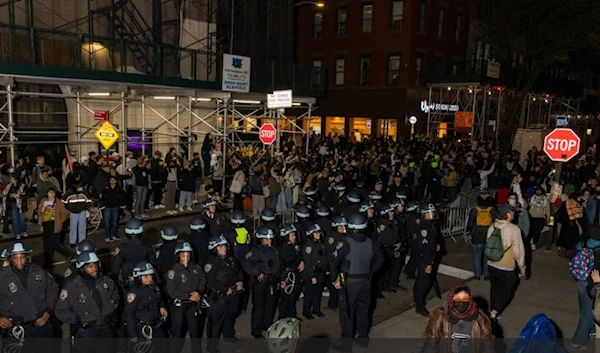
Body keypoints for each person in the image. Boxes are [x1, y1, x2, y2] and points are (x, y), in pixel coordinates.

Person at [329, 213, 384, 352]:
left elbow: (334, 263)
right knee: (363, 311)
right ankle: (363, 339)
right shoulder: (370, 242)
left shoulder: (345, 243)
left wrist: (335, 280)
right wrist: (371, 273)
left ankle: (346, 345)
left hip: (349, 283)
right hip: (366, 282)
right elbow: (381, 259)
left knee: (347, 313)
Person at [55, 251, 119, 353]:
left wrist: (111, 308)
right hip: (86, 331)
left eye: (95, 265)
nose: (94, 269)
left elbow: (115, 294)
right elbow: (60, 310)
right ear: (81, 268)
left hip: (106, 328)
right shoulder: (72, 287)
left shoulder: (105, 281)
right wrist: (77, 318)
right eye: (90, 266)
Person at [0, 242, 57, 346]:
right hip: (15, 329)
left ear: (27, 257)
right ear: (10, 259)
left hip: (39, 326)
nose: (19, 262)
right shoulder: (2, 277)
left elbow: (52, 291)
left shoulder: (40, 272)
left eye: (22, 257)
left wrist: (48, 312)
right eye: (15, 258)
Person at [423, 284, 493, 353]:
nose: (461, 302)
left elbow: (487, 344)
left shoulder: (479, 318)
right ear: (451, 300)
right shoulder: (440, 315)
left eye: (465, 299)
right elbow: (431, 340)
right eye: (457, 299)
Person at [205, 235, 244, 353]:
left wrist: (240, 281)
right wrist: (224, 289)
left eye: (224, 246)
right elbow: (209, 280)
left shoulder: (230, 259)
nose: (224, 248)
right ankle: (211, 347)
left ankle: (228, 336)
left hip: (233, 294)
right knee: (215, 322)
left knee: (230, 316)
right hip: (220, 296)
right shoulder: (211, 263)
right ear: (214, 248)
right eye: (220, 247)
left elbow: (239, 271)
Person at [240, 225, 281, 338]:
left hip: (272, 281)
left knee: (270, 305)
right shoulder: (255, 251)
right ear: (260, 239)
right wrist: (257, 272)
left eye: (270, 239)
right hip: (260, 282)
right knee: (258, 305)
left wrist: (279, 278)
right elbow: (246, 264)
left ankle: (267, 325)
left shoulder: (273, 250)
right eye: (266, 239)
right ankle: (256, 329)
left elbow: (277, 265)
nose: (269, 241)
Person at [487, 204, 526, 321]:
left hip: (492, 263)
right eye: (513, 211)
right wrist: (522, 266)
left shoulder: (492, 226)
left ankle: (494, 310)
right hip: (506, 265)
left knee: (495, 288)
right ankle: (493, 313)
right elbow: (518, 250)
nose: (514, 213)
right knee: (506, 292)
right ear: (508, 214)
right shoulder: (514, 229)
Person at [166, 242, 206, 353]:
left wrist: (198, 292)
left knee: (195, 330)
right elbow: (172, 291)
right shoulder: (173, 271)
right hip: (180, 305)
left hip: (193, 304)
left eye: (188, 255)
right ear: (178, 256)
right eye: (183, 255)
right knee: (178, 331)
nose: (186, 258)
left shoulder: (196, 267)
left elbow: (202, 279)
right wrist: (188, 296)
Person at [125, 262, 168, 353]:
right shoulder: (134, 292)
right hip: (141, 328)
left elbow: (159, 299)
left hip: (155, 325)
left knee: (163, 347)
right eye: (146, 276)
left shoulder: (154, 287)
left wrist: (162, 307)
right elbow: (129, 314)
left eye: (150, 275)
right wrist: (133, 334)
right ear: (139, 277)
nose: (150, 278)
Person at [112, 218, 156, 290]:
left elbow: (115, 268)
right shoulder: (147, 247)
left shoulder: (122, 248)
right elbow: (153, 264)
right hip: (145, 281)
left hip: (128, 283)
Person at [414, 203, 438, 317]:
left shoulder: (429, 225)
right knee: (423, 282)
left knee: (421, 281)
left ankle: (418, 300)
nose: (432, 214)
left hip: (425, 257)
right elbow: (424, 247)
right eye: (430, 212)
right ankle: (419, 306)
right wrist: (428, 263)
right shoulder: (425, 227)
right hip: (425, 259)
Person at [38, 188, 71, 270]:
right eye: (50, 192)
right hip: (46, 224)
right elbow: (39, 213)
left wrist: (60, 221)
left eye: (53, 193)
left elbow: (65, 214)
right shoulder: (44, 201)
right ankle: (47, 263)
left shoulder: (59, 203)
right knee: (46, 245)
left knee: (54, 243)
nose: (52, 194)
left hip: (55, 224)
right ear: (47, 193)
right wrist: (44, 207)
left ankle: (67, 253)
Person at [467, 195, 497, 281]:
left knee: (477, 256)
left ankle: (477, 274)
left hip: (477, 236)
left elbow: (470, 224)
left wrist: (470, 232)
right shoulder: (492, 210)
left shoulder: (474, 210)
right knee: (487, 257)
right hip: (489, 236)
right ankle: (486, 274)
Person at [302, 222, 327, 320]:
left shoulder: (320, 244)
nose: (319, 234)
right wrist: (312, 276)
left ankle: (316, 309)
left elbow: (324, 258)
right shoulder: (308, 246)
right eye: (316, 233)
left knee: (318, 292)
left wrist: (326, 268)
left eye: (319, 232)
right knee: (309, 293)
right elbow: (308, 262)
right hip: (312, 273)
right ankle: (306, 311)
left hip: (320, 272)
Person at [278, 224, 304, 319]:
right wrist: (282, 279)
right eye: (292, 235)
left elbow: (300, 254)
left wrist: (302, 261)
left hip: (296, 274)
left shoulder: (296, 246)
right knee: (285, 298)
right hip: (287, 275)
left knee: (293, 297)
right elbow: (282, 265)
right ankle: (283, 317)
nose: (294, 237)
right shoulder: (282, 249)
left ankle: (292, 316)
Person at [101, 175, 125, 243]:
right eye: (111, 180)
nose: (112, 181)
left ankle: (114, 234)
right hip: (108, 207)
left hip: (115, 207)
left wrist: (119, 202)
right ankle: (107, 236)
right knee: (107, 222)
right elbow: (103, 197)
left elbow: (122, 196)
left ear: (116, 181)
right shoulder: (106, 188)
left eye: (113, 180)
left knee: (115, 222)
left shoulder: (119, 188)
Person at [4, 174, 27, 239]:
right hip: (13, 204)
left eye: (12, 179)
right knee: (14, 218)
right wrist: (10, 196)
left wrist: (20, 196)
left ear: (16, 180)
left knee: (22, 218)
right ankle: (17, 233)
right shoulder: (9, 186)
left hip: (20, 204)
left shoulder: (22, 186)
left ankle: (23, 231)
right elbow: (6, 195)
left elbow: (26, 194)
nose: (10, 180)